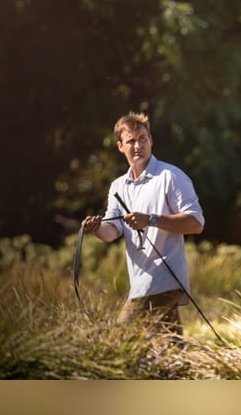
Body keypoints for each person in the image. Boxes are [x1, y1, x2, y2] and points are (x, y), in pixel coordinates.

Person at [82, 111, 204, 337]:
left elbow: (196, 223)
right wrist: (97, 228)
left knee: (119, 339)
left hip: (164, 280)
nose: (138, 145)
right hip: (140, 282)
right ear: (120, 146)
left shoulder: (170, 176)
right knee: (171, 353)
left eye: (143, 139)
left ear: (151, 141)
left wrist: (151, 220)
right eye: (131, 141)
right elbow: (111, 232)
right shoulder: (118, 186)